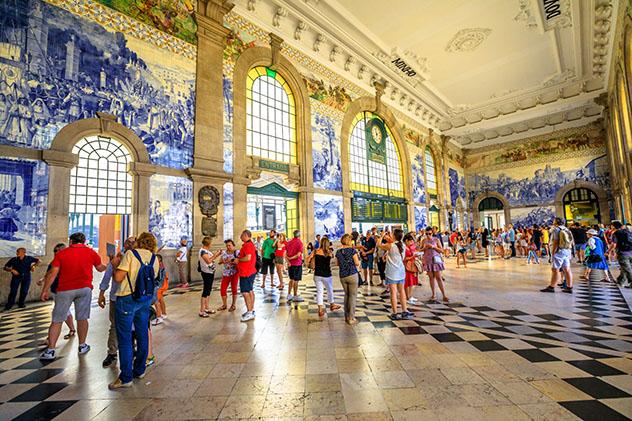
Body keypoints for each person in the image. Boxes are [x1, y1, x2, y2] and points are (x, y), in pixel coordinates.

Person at [39, 232, 107, 361]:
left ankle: (51, 350)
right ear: (84, 240)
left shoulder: (62, 254)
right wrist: (110, 265)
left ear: (71, 241)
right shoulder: (90, 252)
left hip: (65, 289)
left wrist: (45, 290)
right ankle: (82, 345)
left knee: (57, 319)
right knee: (82, 318)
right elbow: (100, 268)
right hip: (84, 288)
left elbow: (53, 273)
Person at [108, 232, 160, 389]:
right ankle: (139, 370)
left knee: (124, 338)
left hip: (127, 298)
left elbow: (118, 278)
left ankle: (125, 378)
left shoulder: (131, 254)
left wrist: (115, 263)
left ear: (140, 241)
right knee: (142, 333)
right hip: (144, 299)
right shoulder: (154, 258)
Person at [98, 236, 136, 368]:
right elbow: (107, 276)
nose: (131, 245)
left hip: (131, 297)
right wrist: (101, 293)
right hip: (116, 297)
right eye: (129, 242)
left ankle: (132, 349)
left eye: (133, 242)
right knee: (114, 325)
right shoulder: (117, 259)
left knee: (132, 326)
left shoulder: (136, 259)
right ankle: (112, 352)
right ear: (125, 245)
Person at [36, 243, 75, 345]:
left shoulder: (69, 262)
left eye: (58, 250)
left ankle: (50, 341)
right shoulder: (53, 262)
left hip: (64, 291)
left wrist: (44, 290)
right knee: (65, 312)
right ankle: (72, 329)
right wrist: (43, 280)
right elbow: (49, 273)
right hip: (55, 290)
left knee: (57, 315)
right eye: (54, 250)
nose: (56, 252)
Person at [309, 236, 341, 317]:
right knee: (329, 290)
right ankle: (332, 305)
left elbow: (308, 259)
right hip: (327, 275)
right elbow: (334, 262)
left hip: (317, 274)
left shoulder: (315, 251)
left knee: (320, 292)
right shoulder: (329, 252)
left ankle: (320, 309)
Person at [541, 217, 574, 293]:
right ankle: (569, 287)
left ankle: (551, 287)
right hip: (567, 250)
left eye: (554, 220)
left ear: (556, 222)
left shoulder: (556, 230)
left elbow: (555, 242)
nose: (553, 221)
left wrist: (553, 253)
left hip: (558, 251)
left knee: (555, 269)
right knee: (567, 269)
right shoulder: (567, 229)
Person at [336, 233, 361, 324]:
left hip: (343, 275)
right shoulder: (352, 251)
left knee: (347, 295)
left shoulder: (338, 252)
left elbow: (337, 264)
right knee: (353, 296)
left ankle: (346, 316)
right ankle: (351, 318)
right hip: (352, 274)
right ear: (349, 241)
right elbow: (357, 263)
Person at [421, 226, 449, 303]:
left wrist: (433, 247)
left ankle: (444, 295)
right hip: (428, 260)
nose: (428, 235)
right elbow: (419, 250)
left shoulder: (436, 240)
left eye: (429, 233)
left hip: (436, 260)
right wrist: (424, 248)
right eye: (426, 234)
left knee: (439, 277)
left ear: (432, 233)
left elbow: (442, 250)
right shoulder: (423, 240)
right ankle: (433, 294)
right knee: (431, 278)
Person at [235, 230, 257, 322]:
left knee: (245, 292)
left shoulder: (248, 245)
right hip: (249, 271)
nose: (240, 236)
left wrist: (238, 260)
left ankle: (249, 312)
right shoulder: (249, 244)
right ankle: (251, 310)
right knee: (250, 290)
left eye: (241, 235)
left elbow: (248, 258)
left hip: (246, 272)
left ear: (245, 235)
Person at [198, 236, 221, 318]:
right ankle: (201, 310)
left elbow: (211, 259)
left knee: (208, 290)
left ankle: (206, 308)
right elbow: (208, 261)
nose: (211, 244)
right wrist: (215, 254)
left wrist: (217, 255)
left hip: (210, 272)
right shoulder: (203, 252)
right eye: (211, 243)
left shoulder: (205, 251)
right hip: (206, 272)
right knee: (205, 291)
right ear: (208, 244)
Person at [218, 239, 239, 312]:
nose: (228, 247)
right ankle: (224, 305)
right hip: (226, 273)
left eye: (229, 245)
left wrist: (232, 261)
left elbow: (239, 262)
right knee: (223, 289)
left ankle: (233, 305)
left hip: (234, 273)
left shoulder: (237, 252)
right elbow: (219, 262)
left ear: (233, 245)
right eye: (227, 246)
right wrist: (223, 261)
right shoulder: (224, 253)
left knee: (234, 289)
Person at [610, 221, 632, 287]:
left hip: (623, 253)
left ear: (613, 226)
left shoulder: (615, 233)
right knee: (624, 268)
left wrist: (610, 251)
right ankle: (620, 281)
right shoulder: (627, 231)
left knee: (627, 269)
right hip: (630, 252)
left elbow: (614, 244)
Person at [286, 230, 305, 303]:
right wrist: (290, 259)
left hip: (291, 264)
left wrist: (288, 261)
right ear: (299, 235)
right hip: (297, 263)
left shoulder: (289, 242)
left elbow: (285, 254)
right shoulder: (299, 243)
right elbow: (298, 255)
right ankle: (295, 295)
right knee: (296, 280)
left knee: (291, 279)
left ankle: (289, 294)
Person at [403, 233, 419, 305]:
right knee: (407, 283)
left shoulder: (409, 247)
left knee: (411, 282)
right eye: (410, 241)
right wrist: (412, 257)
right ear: (406, 240)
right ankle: (407, 297)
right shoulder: (404, 248)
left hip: (411, 266)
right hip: (406, 267)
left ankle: (410, 296)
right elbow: (404, 258)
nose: (412, 242)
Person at [153, 254, 169, 325]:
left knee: (156, 301)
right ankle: (164, 314)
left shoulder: (158, 266)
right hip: (163, 285)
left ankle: (158, 317)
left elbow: (157, 278)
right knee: (161, 299)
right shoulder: (161, 265)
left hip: (159, 286)